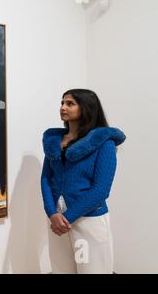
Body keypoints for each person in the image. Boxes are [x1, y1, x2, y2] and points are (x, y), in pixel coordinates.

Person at [41, 89, 126, 274]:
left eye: (70, 103)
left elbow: (101, 190)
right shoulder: (54, 142)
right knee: (61, 270)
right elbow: (46, 179)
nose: (63, 107)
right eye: (62, 102)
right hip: (57, 221)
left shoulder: (104, 143)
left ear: (86, 108)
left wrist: (66, 218)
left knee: (92, 270)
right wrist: (52, 214)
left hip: (87, 221)